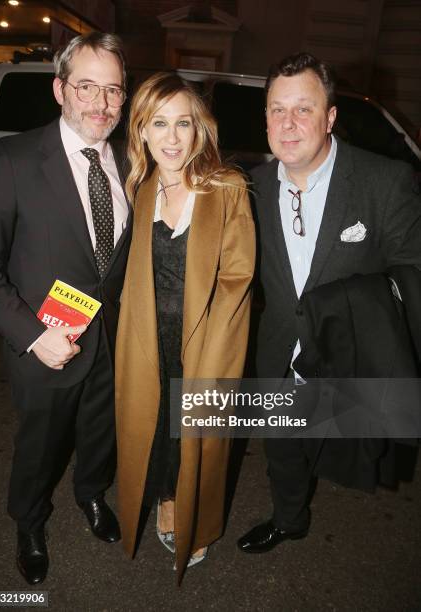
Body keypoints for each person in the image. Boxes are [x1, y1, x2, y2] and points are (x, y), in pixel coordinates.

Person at [237, 52, 421, 554]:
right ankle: (290, 519)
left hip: (348, 356)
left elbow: (414, 273)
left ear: (331, 116)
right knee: (282, 450)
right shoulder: (246, 188)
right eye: (277, 109)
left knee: (356, 449)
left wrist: (349, 304)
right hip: (277, 352)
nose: (288, 124)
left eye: (304, 109)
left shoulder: (385, 181)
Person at [0, 32, 132, 584]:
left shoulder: (132, 161)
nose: (100, 103)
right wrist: (30, 335)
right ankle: (28, 520)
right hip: (44, 343)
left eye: (112, 90)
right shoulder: (13, 158)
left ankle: (91, 494)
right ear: (60, 89)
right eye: (86, 86)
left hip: (111, 340)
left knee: (99, 433)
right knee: (39, 445)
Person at [115, 72, 255, 580]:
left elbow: (238, 279)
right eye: (159, 123)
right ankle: (161, 498)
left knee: (193, 437)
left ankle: (188, 517)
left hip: (205, 339)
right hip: (147, 338)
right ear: (142, 132)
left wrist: (215, 349)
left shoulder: (228, 187)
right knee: (152, 430)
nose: (172, 138)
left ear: (200, 130)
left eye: (183, 123)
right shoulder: (140, 188)